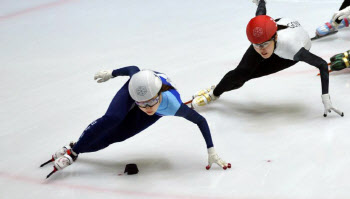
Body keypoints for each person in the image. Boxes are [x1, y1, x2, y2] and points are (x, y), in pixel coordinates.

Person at [41, 66, 230, 178]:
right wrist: (112, 73)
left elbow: (201, 121)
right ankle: (74, 152)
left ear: (159, 95)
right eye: (142, 104)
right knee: (112, 118)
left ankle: (74, 148)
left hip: (155, 97)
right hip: (138, 89)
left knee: (117, 135)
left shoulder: (173, 105)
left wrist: (211, 150)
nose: (147, 107)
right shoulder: (138, 89)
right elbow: (134, 70)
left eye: (151, 102)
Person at [191, 0, 344, 117]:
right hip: (273, 31)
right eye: (256, 45)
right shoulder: (260, 38)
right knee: (240, 72)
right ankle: (214, 94)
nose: (261, 50)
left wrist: (325, 97)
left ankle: (218, 89)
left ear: (275, 37)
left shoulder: (293, 50)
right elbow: (261, 11)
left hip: (287, 53)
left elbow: (323, 64)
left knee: (249, 76)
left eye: (264, 45)